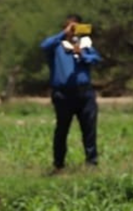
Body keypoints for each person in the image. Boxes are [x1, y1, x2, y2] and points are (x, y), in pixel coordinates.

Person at [41, 13, 102, 171]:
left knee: (89, 128)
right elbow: (43, 45)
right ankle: (59, 164)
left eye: (76, 27)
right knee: (62, 129)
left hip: (84, 93)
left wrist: (83, 55)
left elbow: (96, 59)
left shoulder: (85, 44)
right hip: (63, 94)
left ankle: (92, 163)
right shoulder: (56, 46)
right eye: (70, 27)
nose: (73, 30)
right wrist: (64, 34)